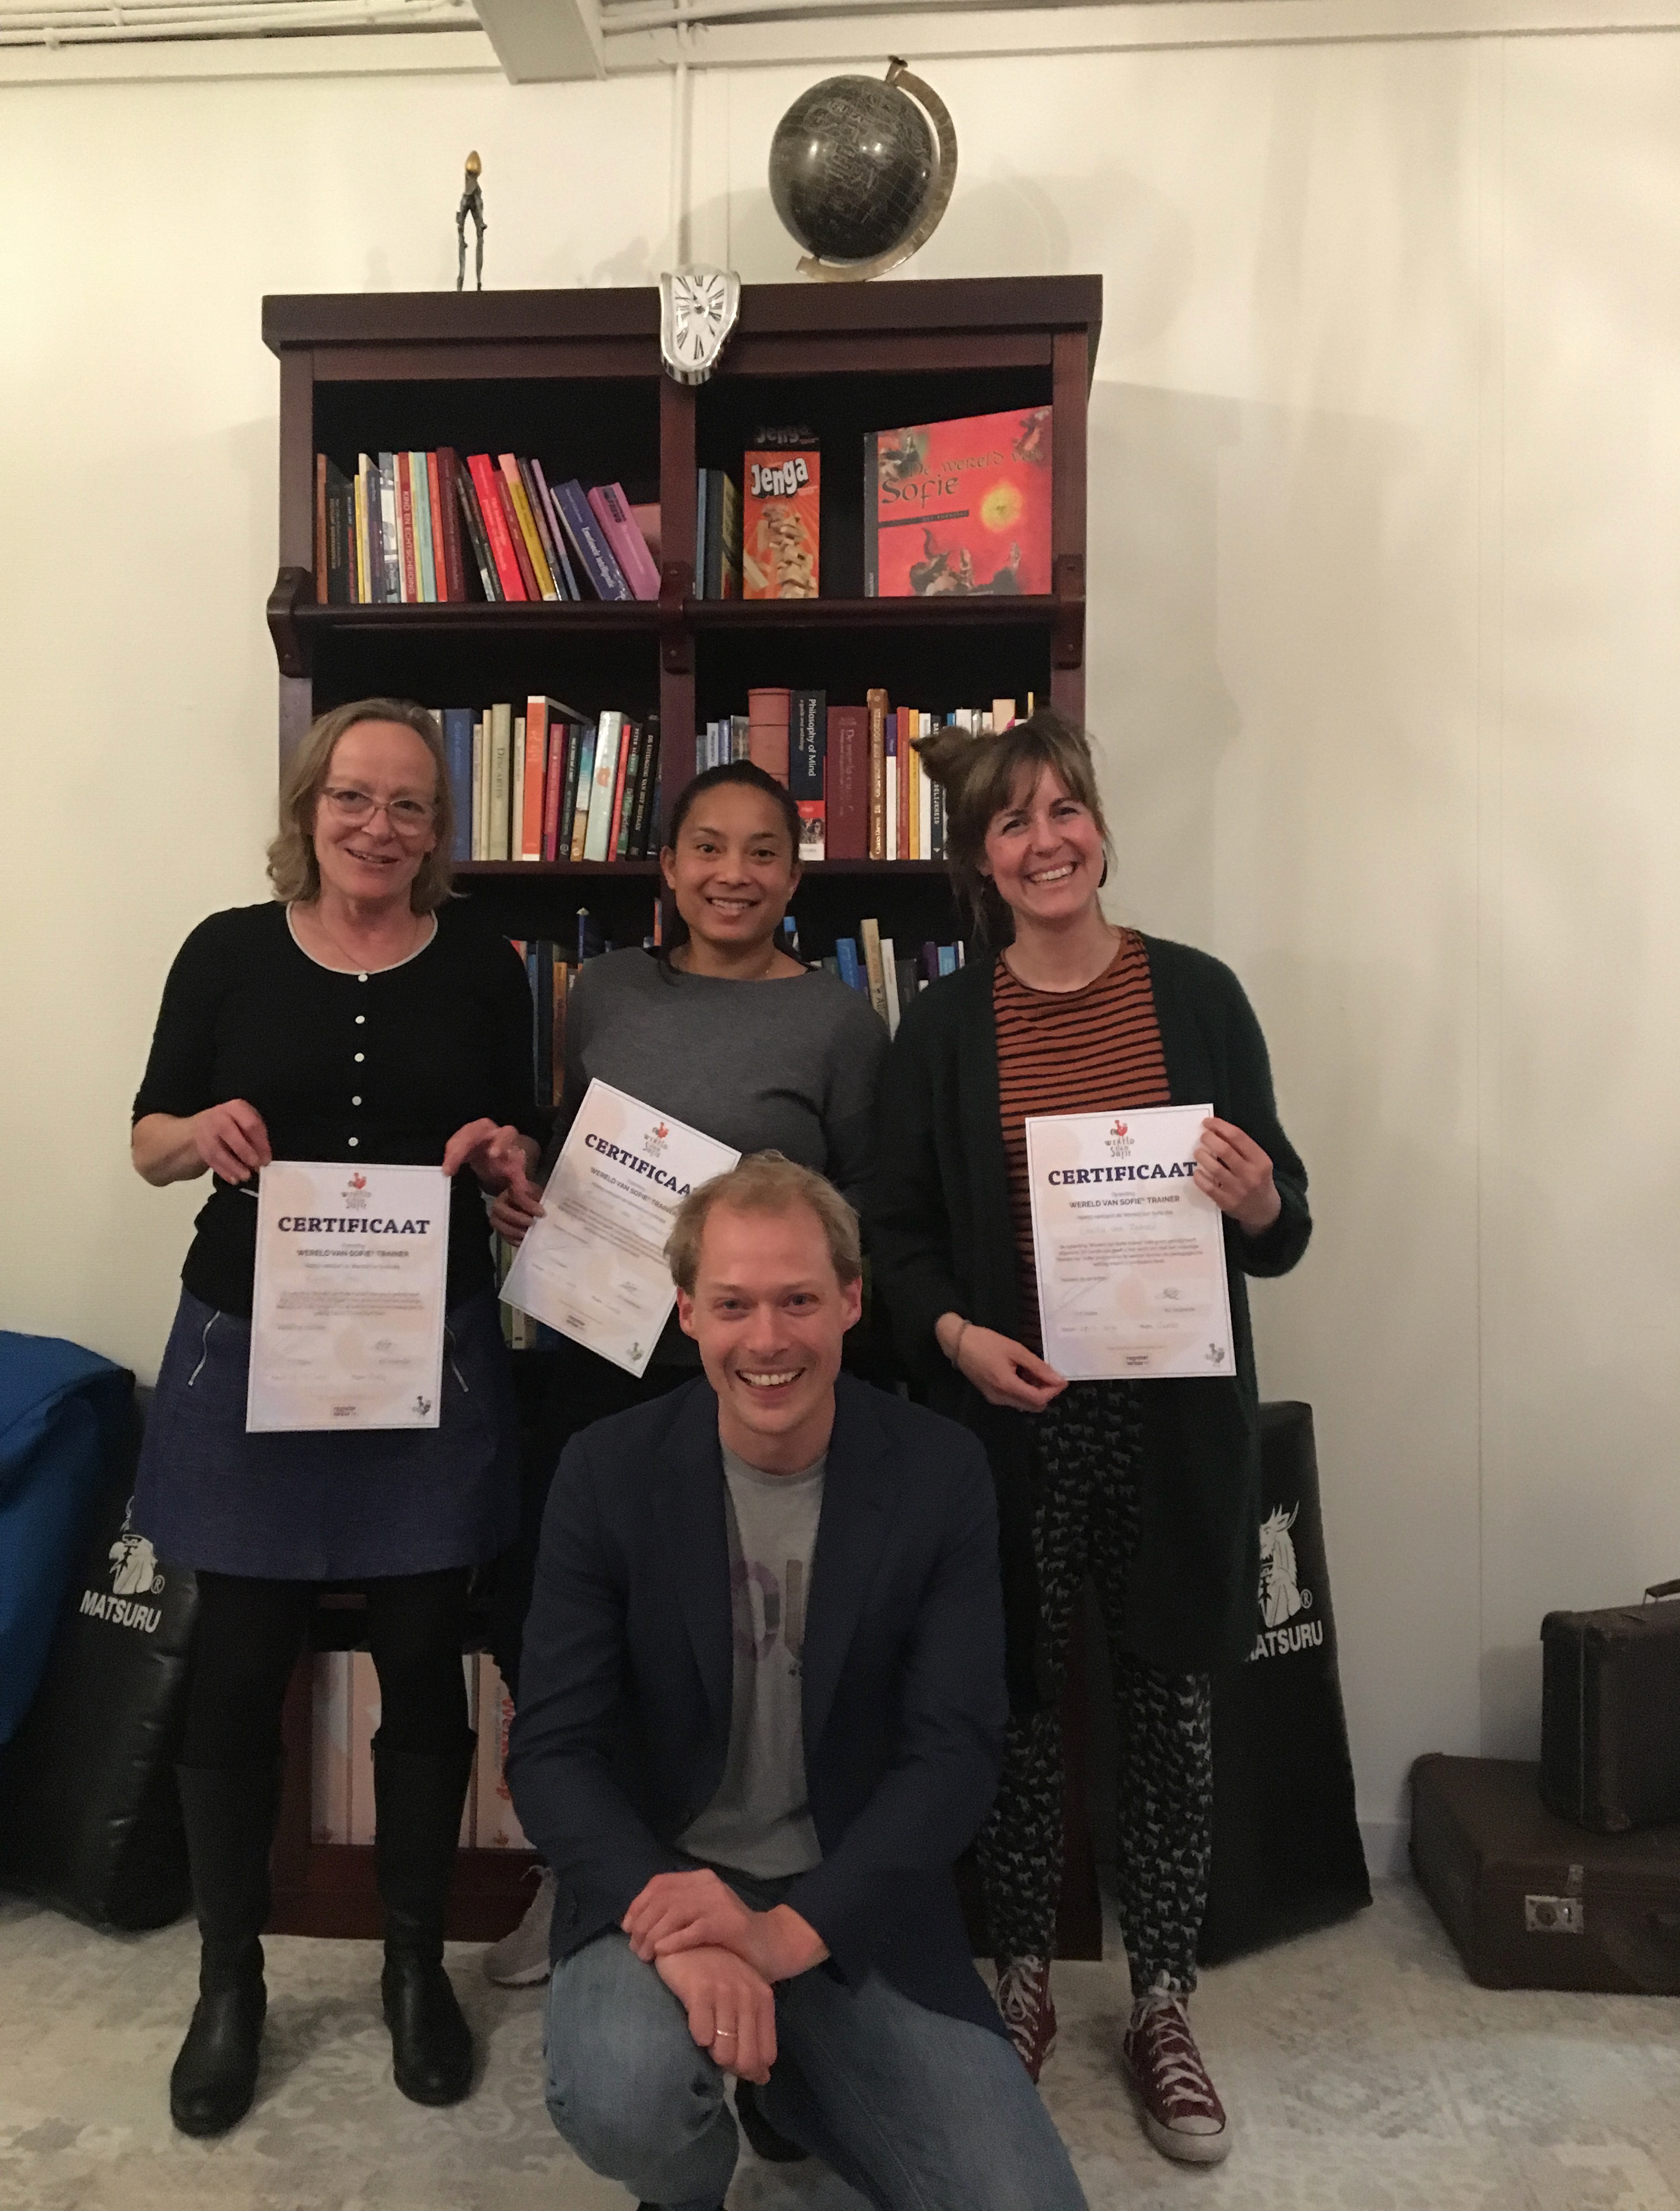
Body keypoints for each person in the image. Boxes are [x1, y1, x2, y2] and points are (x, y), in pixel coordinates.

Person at [868, 710, 1312, 2166]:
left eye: (1066, 810)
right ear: (981, 861)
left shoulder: (1199, 996)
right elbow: (896, 1236)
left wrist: (1257, 1201)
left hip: (1173, 1424)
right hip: (1013, 1421)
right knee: (1013, 1706)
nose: (1046, 840)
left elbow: (1284, 1223)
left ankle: (1163, 1999)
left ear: (1102, 833)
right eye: (1013, 822)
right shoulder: (944, 1029)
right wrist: (953, 1337)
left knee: (1169, 1702)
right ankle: (1021, 1978)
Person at [506, 1154, 1089, 2211]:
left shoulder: (941, 1472)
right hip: (663, 1882)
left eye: (799, 1302)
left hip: (853, 1891)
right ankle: (688, 2189)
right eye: (733, 1304)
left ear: (852, 1303)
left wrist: (784, 1937)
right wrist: (676, 1928)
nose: (767, 1339)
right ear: (688, 1312)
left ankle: (794, 2082)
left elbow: (956, 1754)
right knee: (624, 2099)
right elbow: (552, 1751)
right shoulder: (604, 1470)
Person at [129, 698, 537, 2137]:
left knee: (425, 1659)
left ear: (438, 831)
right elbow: (148, 1139)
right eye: (354, 796)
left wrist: (507, 1160)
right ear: (309, 806)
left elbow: (518, 1148)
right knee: (240, 1666)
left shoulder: (484, 966)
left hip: (426, 1354)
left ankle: (413, 1967)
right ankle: (228, 1983)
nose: (378, 825)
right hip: (254, 1352)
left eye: (410, 804)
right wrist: (200, 1135)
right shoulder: (225, 951)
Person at [480, 760, 888, 1989]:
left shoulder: (839, 1023)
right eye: (708, 847)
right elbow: (570, 1151)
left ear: (795, 876)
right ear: (667, 867)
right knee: (562, 1619)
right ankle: (586, 1874)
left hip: (757, 1378)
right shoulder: (604, 992)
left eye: (763, 851)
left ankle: (758, 1869)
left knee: (732, 1633)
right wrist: (530, 1201)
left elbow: (863, 1206)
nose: (733, 874)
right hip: (599, 1358)